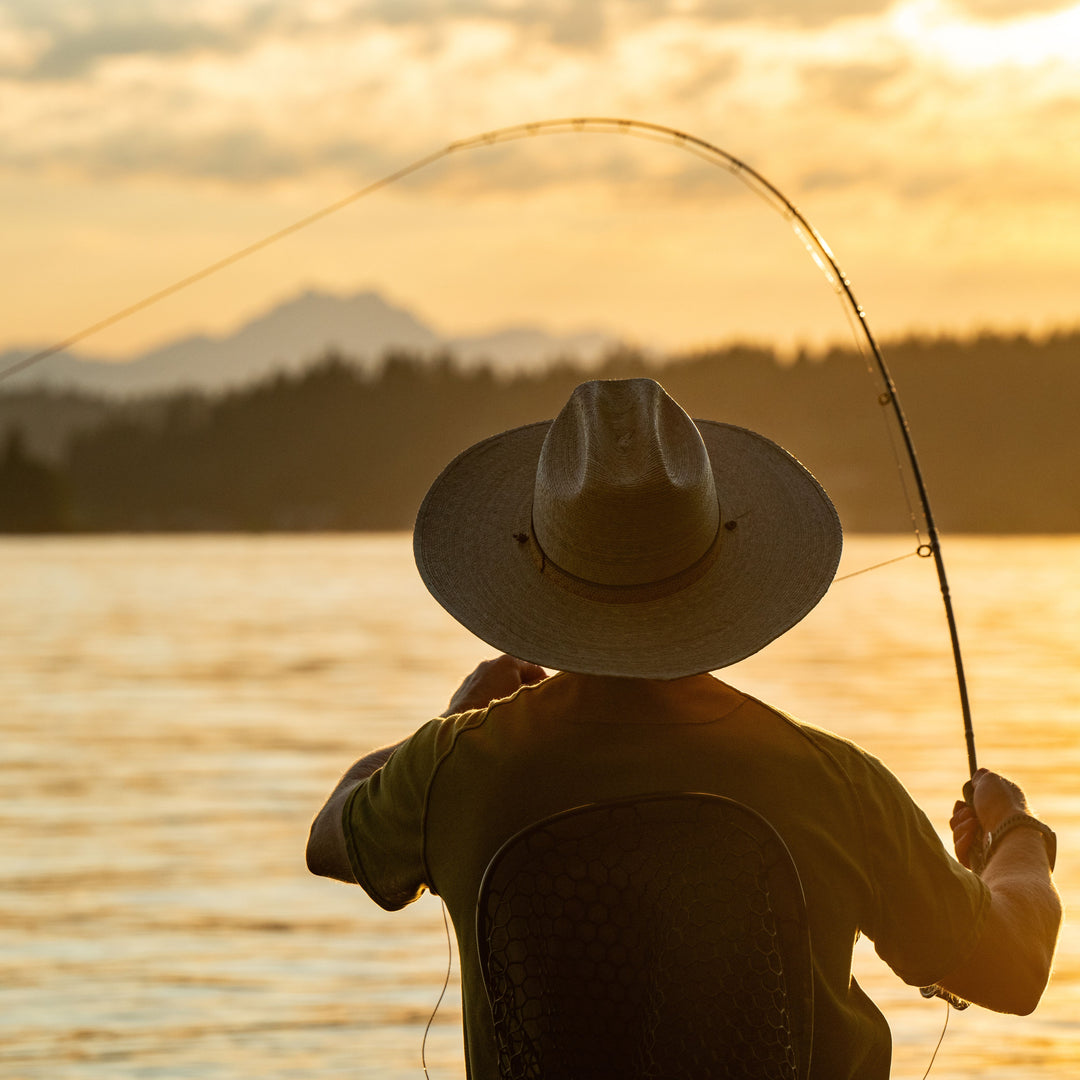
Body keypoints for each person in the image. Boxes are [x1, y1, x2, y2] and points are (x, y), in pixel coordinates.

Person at [307, 378, 1061, 1078]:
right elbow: (1015, 971)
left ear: (540, 563)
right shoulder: (834, 784)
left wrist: (453, 722)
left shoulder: (458, 767)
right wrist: (1017, 833)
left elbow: (330, 837)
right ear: (721, 567)